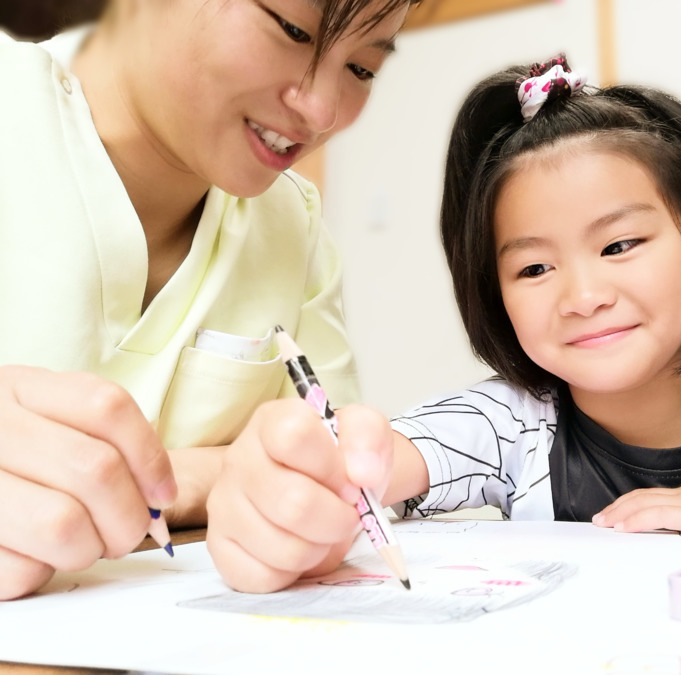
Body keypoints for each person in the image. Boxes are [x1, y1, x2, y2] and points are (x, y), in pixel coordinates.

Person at [206, 56, 681, 593]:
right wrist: (311, 472)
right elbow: (385, 460)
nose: (583, 294)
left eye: (619, 245)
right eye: (534, 269)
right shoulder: (508, 428)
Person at [0, 0, 418, 601]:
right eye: (293, 31)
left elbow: (340, 476)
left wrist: (280, 509)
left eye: (361, 69)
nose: (321, 110)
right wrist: (215, 472)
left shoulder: (293, 225)